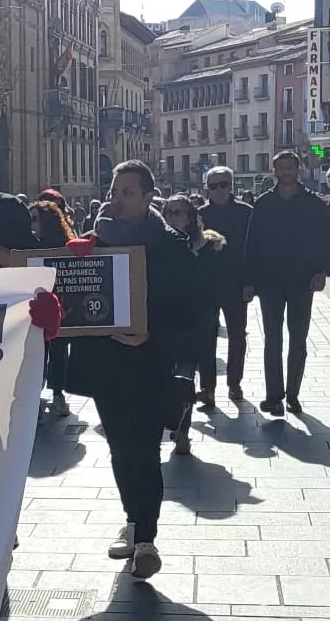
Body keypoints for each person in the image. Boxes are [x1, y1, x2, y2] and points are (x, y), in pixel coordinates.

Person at [63, 162, 205, 581]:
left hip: (151, 361)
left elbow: (192, 310)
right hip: (107, 364)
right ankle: (132, 518)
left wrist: (151, 334)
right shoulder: (93, 243)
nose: (117, 197)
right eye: (114, 189)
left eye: (127, 191)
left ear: (147, 198)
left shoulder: (171, 247)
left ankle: (146, 536)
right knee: (121, 448)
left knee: (144, 449)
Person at [243, 151, 330, 417]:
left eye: (289, 167)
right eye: (280, 168)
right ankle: (274, 396)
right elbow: (252, 243)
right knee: (272, 339)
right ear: (275, 172)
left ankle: (293, 392)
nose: (285, 172)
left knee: (298, 339)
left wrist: (322, 271)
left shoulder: (313, 204)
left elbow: (326, 239)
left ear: (299, 170)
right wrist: (249, 280)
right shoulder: (263, 204)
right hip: (269, 281)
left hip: (302, 281)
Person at [161, 195, 224, 457]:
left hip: (196, 321)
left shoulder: (206, 247)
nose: (177, 218)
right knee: (166, 380)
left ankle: (183, 432)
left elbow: (215, 284)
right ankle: (174, 424)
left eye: (182, 213)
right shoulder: (157, 245)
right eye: (171, 213)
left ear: (191, 216)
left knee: (185, 378)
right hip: (164, 322)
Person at [196, 166, 252, 406]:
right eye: (213, 185)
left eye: (223, 184)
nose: (219, 190)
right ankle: (207, 389)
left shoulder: (246, 213)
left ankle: (234, 383)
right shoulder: (197, 215)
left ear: (232, 185)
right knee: (205, 338)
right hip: (205, 287)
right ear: (206, 188)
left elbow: (254, 250)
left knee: (238, 336)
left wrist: (251, 282)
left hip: (237, 284)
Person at [29, 199, 75, 415]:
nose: (32, 224)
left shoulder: (65, 246)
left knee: (58, 352)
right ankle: (34, 394)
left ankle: (57, 394)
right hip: (37, 309)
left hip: (62, 307)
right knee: (37, 353)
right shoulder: (28, 245)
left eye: (35, 219)